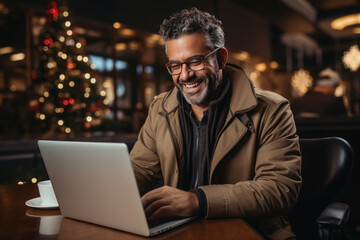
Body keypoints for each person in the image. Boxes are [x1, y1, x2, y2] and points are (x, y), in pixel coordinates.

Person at [129, 8, 301, 240]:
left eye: (195, 61)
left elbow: (279, 189)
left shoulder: (272, 110)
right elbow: (140, 169)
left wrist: (197, 201)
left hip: (251, 231)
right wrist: (107, 191)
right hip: (179, 230)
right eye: (175, 65)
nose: (185, 75)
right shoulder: (160, 109)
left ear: (220, 58)